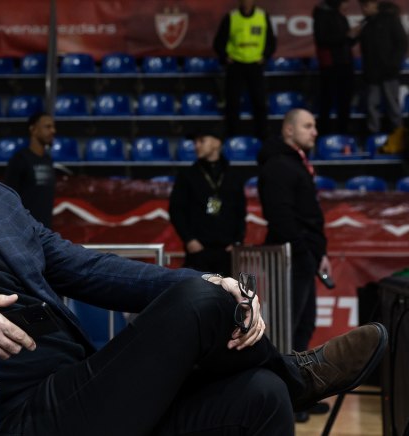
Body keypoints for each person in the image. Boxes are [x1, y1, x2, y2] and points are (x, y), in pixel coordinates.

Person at [0, 84, 387, 436]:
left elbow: (90, 269)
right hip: (12, 417)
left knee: (260, 394)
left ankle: (286, 380)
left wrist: (209, 277)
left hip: (83, 391)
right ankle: (300, 374)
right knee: (203, 302)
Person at [257, 108, 334, 421]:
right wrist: (304, 251)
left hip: (304, 256)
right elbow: (280, 215)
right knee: (285, 331)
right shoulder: (278, 165)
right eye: (308, 126)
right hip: (289, 257)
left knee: (303, 327)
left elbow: (307, 214)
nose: (315, 131)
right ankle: (284, 400)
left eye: (315, 125)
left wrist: (318, 252)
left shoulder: (296, 163)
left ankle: (299, 394)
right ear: (288, 130)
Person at [169, 133, 246, 276]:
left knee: (227, 289)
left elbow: (240, 211)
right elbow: (176, 210)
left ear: (216, 143)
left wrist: (237, 241)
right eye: (195, 142)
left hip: (227, 251)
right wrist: (189, 239)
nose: (196, 146)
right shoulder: (187, 175)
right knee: (197, 288)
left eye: (201, 141)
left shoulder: (233, 175)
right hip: (198, 250)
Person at [213, 0, 276, 140]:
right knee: (232, 103)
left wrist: (265, 56)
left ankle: (263, 136)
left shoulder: (262, 16)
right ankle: (232, 136)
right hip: (236, 65)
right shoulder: (231, 17)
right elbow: (218, 43)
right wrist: (225, 57)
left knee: (260, 102)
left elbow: (271, 41)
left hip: (255, 65)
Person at [358, 0, 408, 142]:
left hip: (389, 72)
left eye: (366, 5)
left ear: (375, 4)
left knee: (393, 106)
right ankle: (373, 137)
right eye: (362, 6)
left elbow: (401, 43)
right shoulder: (366, 24)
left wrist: (393, 64)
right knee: (371, 105)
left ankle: (398, 136)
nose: (364, 9)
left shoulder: (391, 20)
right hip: (372, 73)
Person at [312, 0, 361, 134]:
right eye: (344, 2)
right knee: (327, 100)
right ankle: (323, 132)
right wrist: (346, 36)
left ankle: (343, 132)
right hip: (330, 64)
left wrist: (355, 35)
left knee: (345, 100)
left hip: (345, 63)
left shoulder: (341, 16)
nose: (346, 6)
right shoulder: (321, 15)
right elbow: (322, 39)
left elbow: (347, 42)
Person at [5, 111, 56, 228]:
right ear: (33, 129)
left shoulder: (48, 160)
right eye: (47, 127)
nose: (53, 131)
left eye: (53, 127)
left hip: (45, 229)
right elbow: (9, 198)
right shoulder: (20, 159)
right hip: (24, 229)